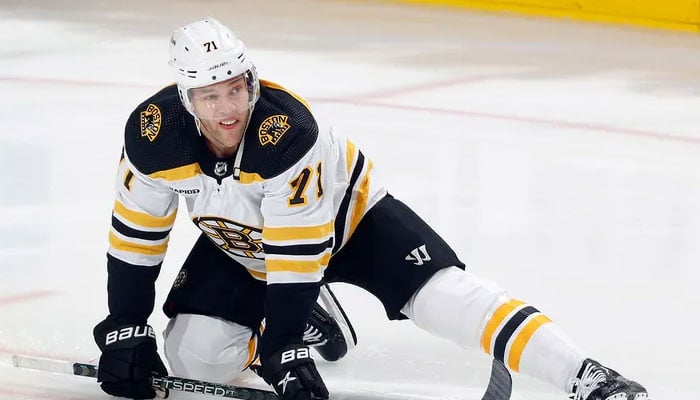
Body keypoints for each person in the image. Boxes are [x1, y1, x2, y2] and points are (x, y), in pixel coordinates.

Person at [92, 16, 650, 400]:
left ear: (251, 82)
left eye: (235, 89)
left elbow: (297, 252)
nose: (227, 108)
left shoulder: (286, 134)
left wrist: (283, 352)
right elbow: (136, 238)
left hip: (348, 221)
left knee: (448, 300)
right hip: (242, 246)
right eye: (210, 96)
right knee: (195, 358)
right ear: (186, 100)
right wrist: (125, 327)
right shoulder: (154, 138)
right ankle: (308, 317)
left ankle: (590, 376)